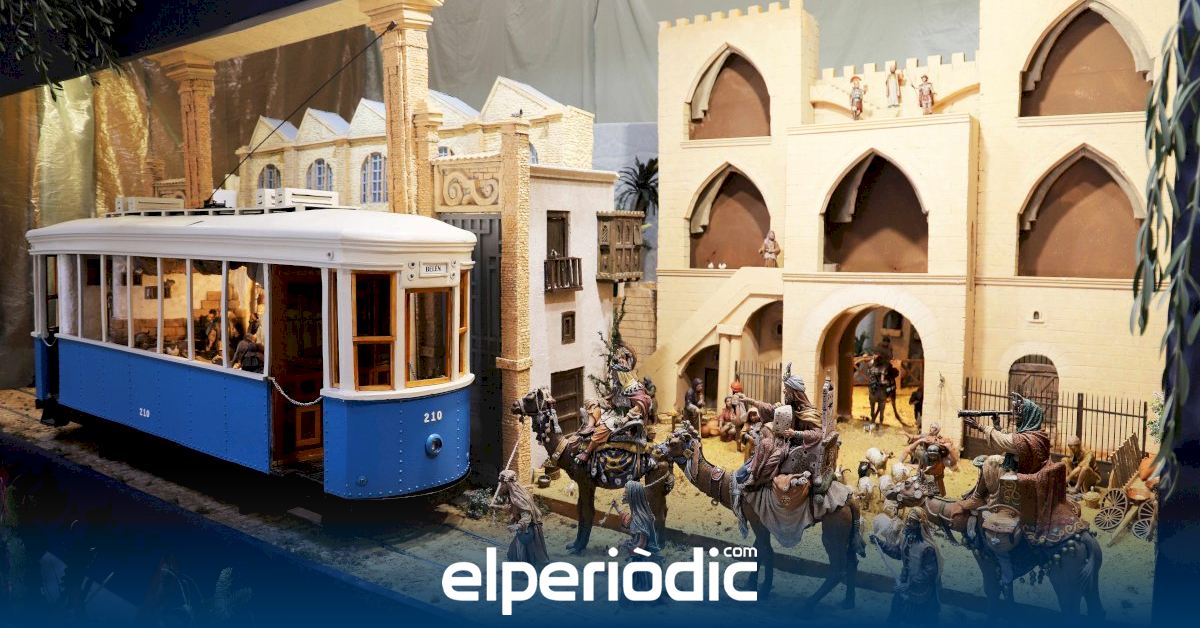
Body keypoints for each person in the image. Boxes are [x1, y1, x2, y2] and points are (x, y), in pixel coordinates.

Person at [872, 509, 941, 625]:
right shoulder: (906, 539)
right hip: (904, 582)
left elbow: (930, 572)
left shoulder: (927, 548)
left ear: (919, 525)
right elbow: (898, 552)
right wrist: (880, 543)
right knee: (895, 615)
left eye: (912, 522)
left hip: (920, 590)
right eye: (908, 520)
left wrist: (910, 584)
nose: (908, 524)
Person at [964, 393, 1050, 473]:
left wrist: (979, 426)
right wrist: (998, 426)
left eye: (1020, 414)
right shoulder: (1035, 434)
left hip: (1022, 475)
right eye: (1016, 413)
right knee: (987, 460)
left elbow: (1005, 441)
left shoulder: (1028, 439)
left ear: (1030, 417)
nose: (1016, 417)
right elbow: (1011, 438)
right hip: (1022, 470)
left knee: (989, 462)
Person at [617, 481, 662, 601]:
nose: (623, 494)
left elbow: (641, 545)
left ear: (633, 495)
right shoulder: (637, 514)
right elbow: (627, 521)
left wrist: (628, 548)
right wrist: (617, 508)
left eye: (626, 492)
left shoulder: (639, 519)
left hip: (645, 559)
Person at [496, 470, 550, 568]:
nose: (500, 486)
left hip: (529, 529)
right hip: (525, 528)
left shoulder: (519, 498)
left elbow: (526, 516)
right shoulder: (513, 496)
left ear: (507, 484)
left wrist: (517, 526)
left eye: (502, 483)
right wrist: (509, 511)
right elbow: (517, 512)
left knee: (524, 552)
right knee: (514, 552)